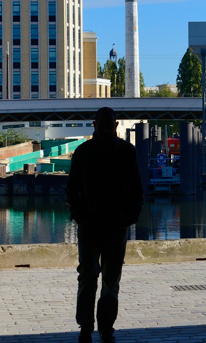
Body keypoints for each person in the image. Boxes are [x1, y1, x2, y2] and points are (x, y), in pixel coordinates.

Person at [66, 107, 144, 343]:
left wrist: (128, 217)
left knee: (111, 279)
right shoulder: (82, 153)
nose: (107, 129)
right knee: (88, 276)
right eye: (103, 125)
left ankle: (106, 326)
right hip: (90, 226)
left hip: (116, 225)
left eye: (110, 125)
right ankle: (86, 326)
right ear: (95, 124)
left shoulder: (127, 153)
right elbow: (72, 190)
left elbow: (136, 189)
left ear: (116, 125)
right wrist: (81, 216)